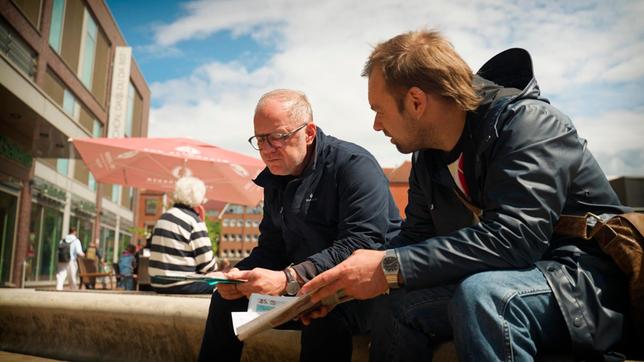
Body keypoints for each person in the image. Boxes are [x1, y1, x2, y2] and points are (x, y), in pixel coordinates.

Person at [301, 30, 629, 361]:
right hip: (513, 280)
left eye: (379, 109)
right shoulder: (427, 158)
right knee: (394, 303)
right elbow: (414, 240)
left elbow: (515, 239)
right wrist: (340, 290)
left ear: (416, 101)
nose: (375, 125)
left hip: (584, 283)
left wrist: (387, 266)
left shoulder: (528, 123)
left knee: (484, 296)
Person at [198, 89, 401, 362]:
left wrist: (289, 279)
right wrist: (240, 275)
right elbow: (271, 249)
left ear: (308, 133)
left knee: (322, 314)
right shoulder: (274, 180)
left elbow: (362, 243)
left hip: (365, 292)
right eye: (260, 139)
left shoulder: (354, 165)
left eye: (278, 137)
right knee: (225, 301)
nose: (267, 150)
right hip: (304, 289)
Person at [149, 176, 218, 294]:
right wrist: (202, 224)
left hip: (157, 283)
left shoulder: (164, 217)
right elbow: (208, 266)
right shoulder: (193, 221)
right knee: (226, 287)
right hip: (182, 284)